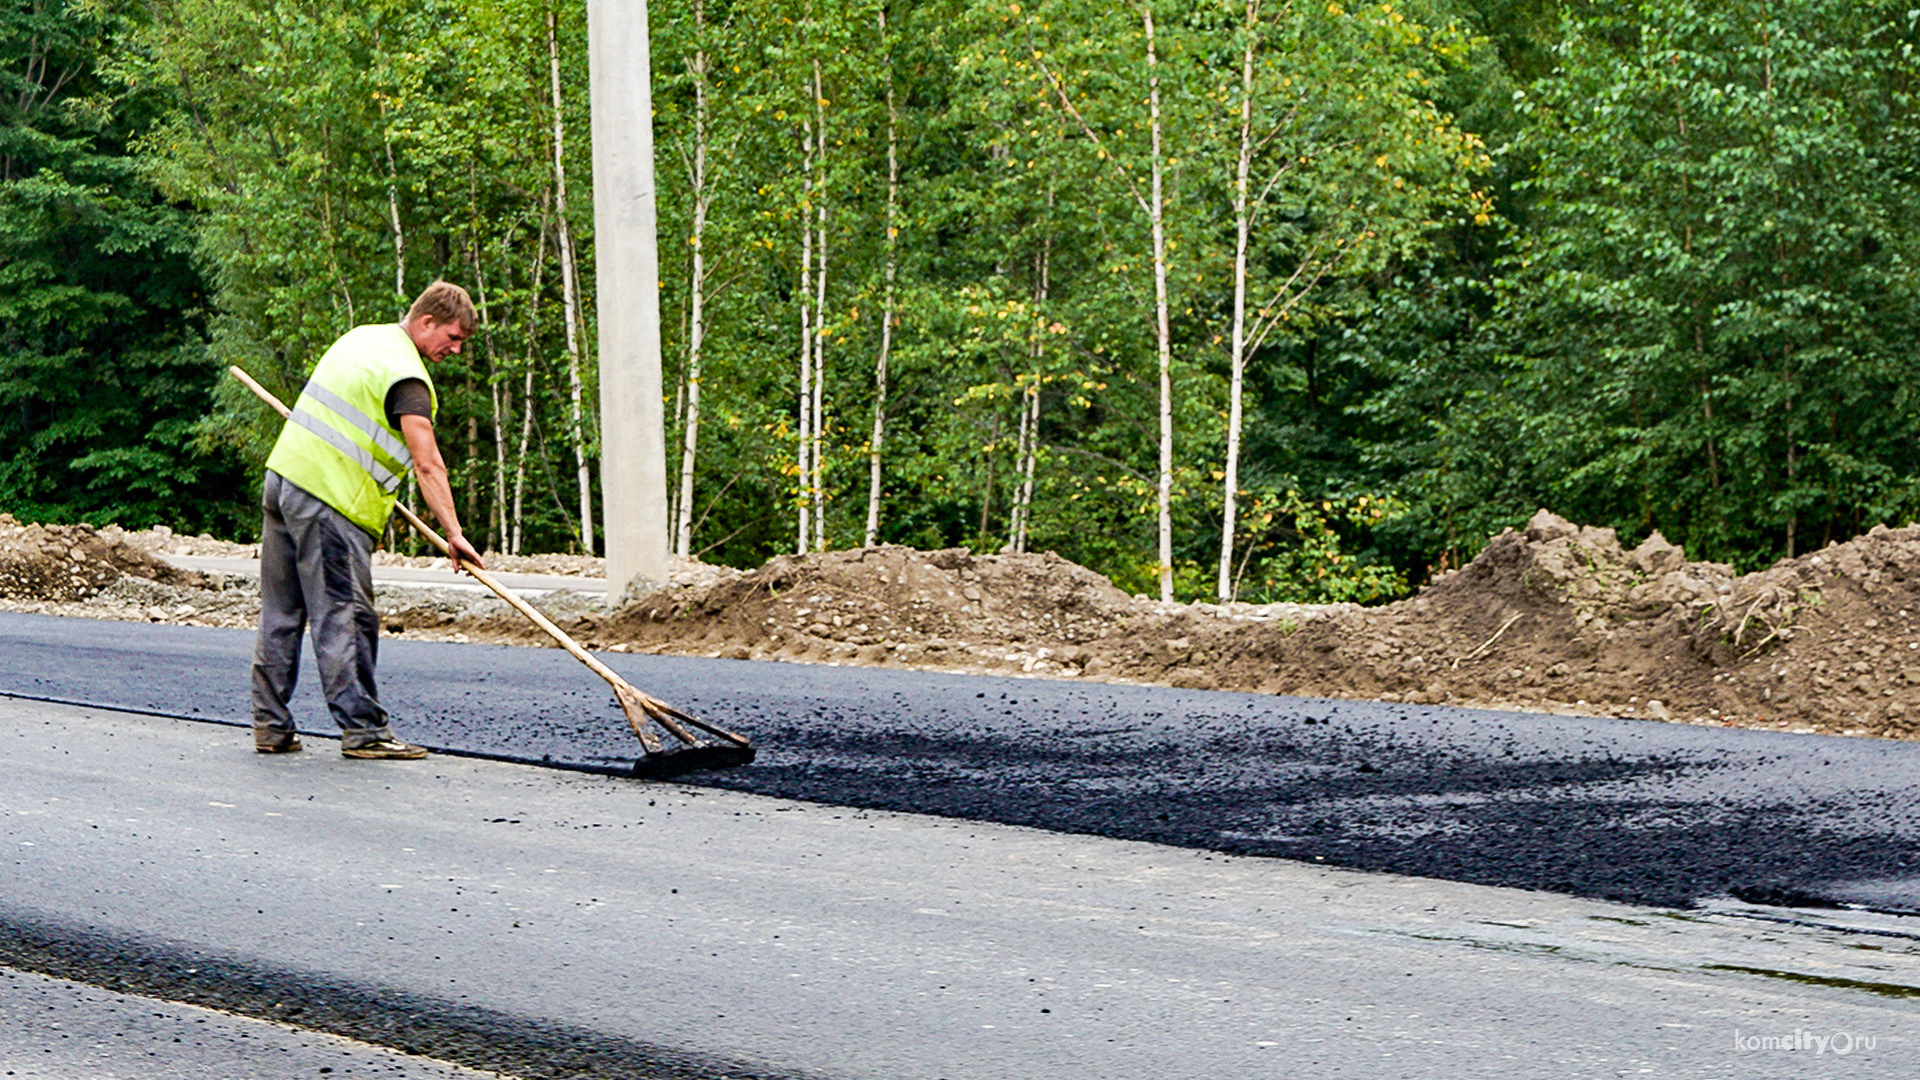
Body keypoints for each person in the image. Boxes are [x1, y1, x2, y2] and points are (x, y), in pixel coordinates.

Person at [250, 281, 486, 759]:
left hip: (283, 483)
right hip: (329, 503)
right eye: (453, 337)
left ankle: (271, 727)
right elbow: (428, 464)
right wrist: (454, 534)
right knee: (346, 616)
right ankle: (365, 732)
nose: (455, 350)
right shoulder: (408, 378)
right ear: (426, 323)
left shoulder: (361, 338)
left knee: (281, 614)